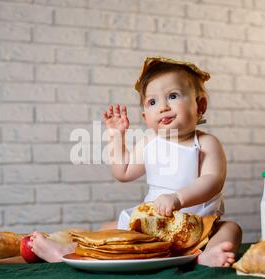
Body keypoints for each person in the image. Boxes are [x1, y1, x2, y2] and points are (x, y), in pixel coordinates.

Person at [31, 56, 242, 267]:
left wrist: (177, 199)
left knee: (230, 229)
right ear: (145, 116)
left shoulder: (205, 143)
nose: (163, 107)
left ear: (200, 105)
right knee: (106, 229)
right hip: (152, 226)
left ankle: (205, 256)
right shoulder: (149, 141)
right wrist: (116, 137)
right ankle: (69, 252)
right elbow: (123, 173)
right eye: (152, 102)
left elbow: (212, 180)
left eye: (173, 96)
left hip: (198, 226)